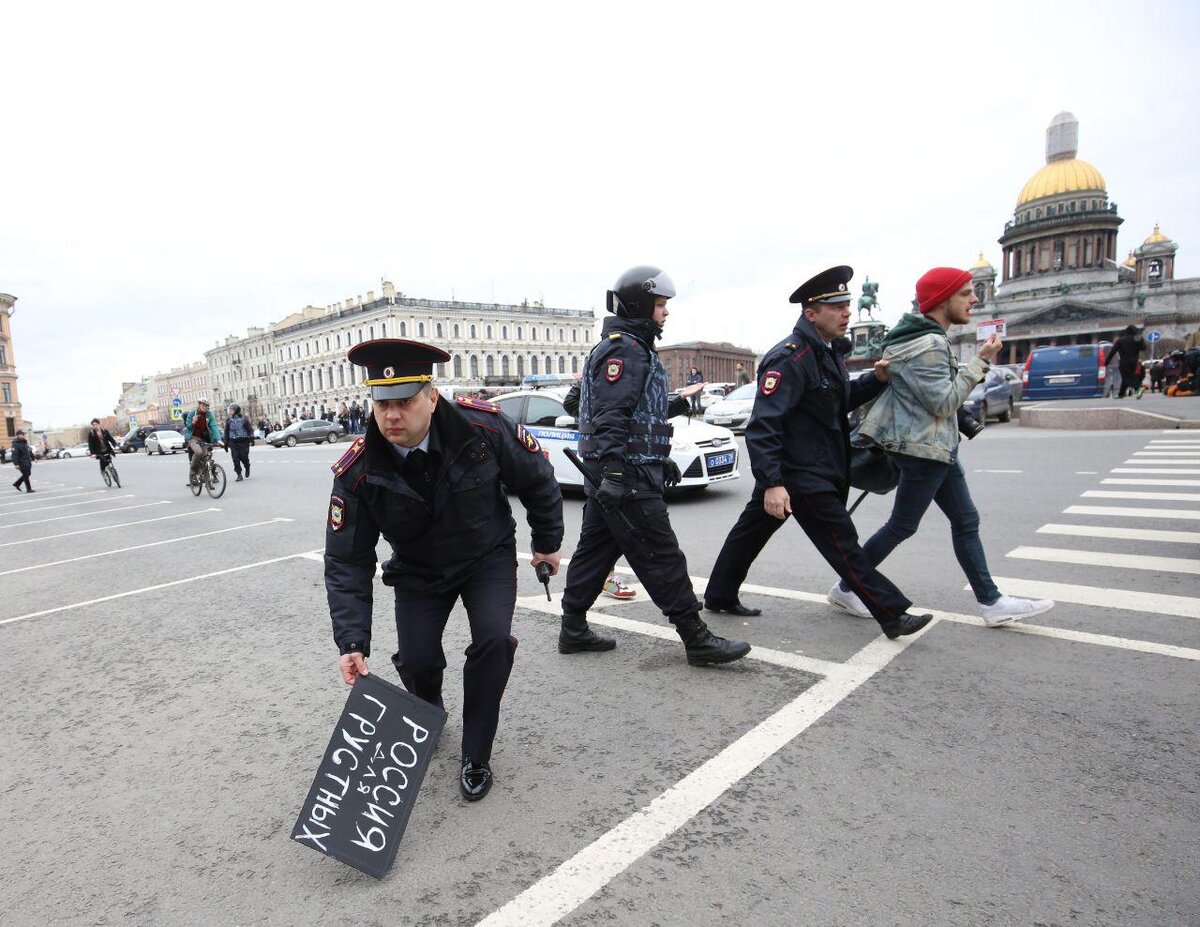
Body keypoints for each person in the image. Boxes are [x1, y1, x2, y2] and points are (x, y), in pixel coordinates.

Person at [326, 339, 563, 802]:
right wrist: (351, 642)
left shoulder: (482, 428)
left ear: (432, 397)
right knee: (417, 660)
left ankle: (476, 752)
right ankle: (429, 712)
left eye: (405, 402)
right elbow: (346, 560)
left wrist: (547, 544)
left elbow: (536, 477)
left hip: (485, 556)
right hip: (418, 570)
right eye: (382, 404)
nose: (392, 416)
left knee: (493, 641)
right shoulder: (358, 469)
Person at [703, 266, 932, 640]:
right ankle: (892, 614)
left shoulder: (825, 353)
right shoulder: (789, 358)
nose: (847, 313)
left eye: (848, 305)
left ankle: (719, 594)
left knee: (749, 535)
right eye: (837, 307)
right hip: (801, 475)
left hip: (813, 469)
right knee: (843, 545)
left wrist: (876, 380)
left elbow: (836, 402)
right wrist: (773, 483)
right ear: (811, 313)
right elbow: (764, 426)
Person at [557, 265, 751, 665]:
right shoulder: (626, 349)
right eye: (660, 304)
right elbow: (611, 414)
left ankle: (572, 628)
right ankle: (696, 637)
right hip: (625, 477)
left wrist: (660, 456)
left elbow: (612, 410)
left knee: (594, 554)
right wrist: (616, 471)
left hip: (620, 472)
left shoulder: (625, 346)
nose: (665, 312)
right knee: (661, 554)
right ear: (639, 305)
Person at [847, 266, 1054, 626]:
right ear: (942, 299)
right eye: (965, 293)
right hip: (924, 452)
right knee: (903, 526)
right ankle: (849, 585)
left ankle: (991, 602)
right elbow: (944, 402)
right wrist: (981, 361)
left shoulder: (925, 338)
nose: (974, 299)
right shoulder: (928, 345)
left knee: (964, 520)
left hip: (937, 448)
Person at [183, 398, 223, 487]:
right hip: (193, 438)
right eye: (203, 405)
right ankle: (193, 473)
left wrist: (218, 439)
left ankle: (207, 479)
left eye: (206, 406)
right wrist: (193, 422)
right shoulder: (192, 413)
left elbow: (214, 426)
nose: (205, 407)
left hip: (204, 439)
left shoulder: (209, 415)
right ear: (199, 405)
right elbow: (188, 427)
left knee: (206, 458)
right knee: (198, 452)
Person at [1107, 324, 1146, 399]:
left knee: (1126, 378)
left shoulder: (1120, 340)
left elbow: (1113, 351)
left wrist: (1107, 361)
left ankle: (1138, 388)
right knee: (1126, 377)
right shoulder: (1137, 338)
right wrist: (1139, 340)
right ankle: (1121, 394)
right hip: (1134, 362)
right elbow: (1144, 348)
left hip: (1124, 362)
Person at [223, 403, 255, 481]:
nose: (230, 411)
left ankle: (247, 466)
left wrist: (252, 438)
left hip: (244, 441)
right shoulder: (228, 421)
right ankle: (239, 474)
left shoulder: (244, 418)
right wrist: (225, 443)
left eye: (231, 410)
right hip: (233, 442)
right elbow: (226, 432)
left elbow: (250, 429)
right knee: (235, 459)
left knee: (244, 457)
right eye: (229, 410)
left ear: (236, 410)